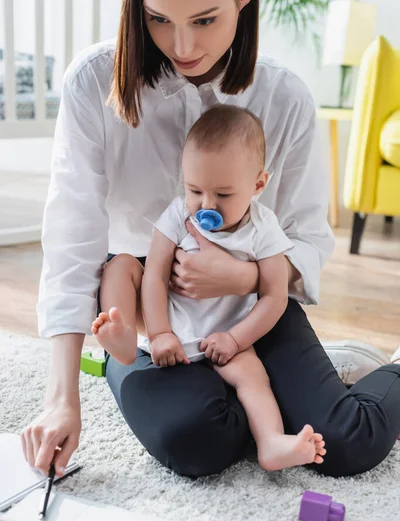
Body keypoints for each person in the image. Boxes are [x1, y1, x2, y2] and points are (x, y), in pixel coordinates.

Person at [22, 0, 400, 480]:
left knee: (347, 442)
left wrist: (242, 276)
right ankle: (301, 385)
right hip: (150, 320)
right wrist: (61, 399)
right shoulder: (93, 81)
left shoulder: (284, 96)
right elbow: (71, 241)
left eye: (204, 19)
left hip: (254, 302)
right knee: (197, 441)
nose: (181, 46)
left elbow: (308, 238)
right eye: (158, 18)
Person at [91, 105, 327, 472]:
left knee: (254, 380)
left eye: (224, 194)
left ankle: (271, 443)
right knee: (121, 264)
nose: (206, 206)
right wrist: (159, 333)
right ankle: (121, 340)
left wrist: (235, 340)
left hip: (226, 337)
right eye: (195, 190)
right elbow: (153, 275)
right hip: (170, 324)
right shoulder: (177, 215)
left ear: (258, 184)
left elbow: (275, 297)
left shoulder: (265, 229)